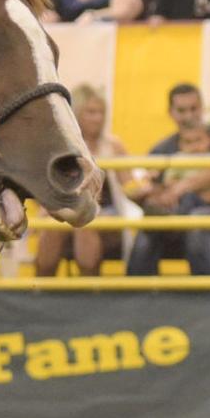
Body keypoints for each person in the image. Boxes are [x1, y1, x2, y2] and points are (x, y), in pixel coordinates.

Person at [127, 83, 210, 277]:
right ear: (171, 112)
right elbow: (153, 187)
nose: (188, 116)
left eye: (193, 108)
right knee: (147, 232)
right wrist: (148, 194)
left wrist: (180, 188)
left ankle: (206, 299)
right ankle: (136, 300)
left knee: (195, 224)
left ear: (203, 107)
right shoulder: (161, 149)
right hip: (171, 222)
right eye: (182, 110)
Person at [34, 84, 126, 276]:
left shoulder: (113, 146)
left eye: (101, 112)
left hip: (106, 215)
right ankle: (42, 289)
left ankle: (88, 289)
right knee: (56, 224)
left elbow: (130, 184)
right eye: (91, 112)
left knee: (84, 221)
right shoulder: (59, 146)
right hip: (65, 212)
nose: (98, 118)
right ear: (76, 113)